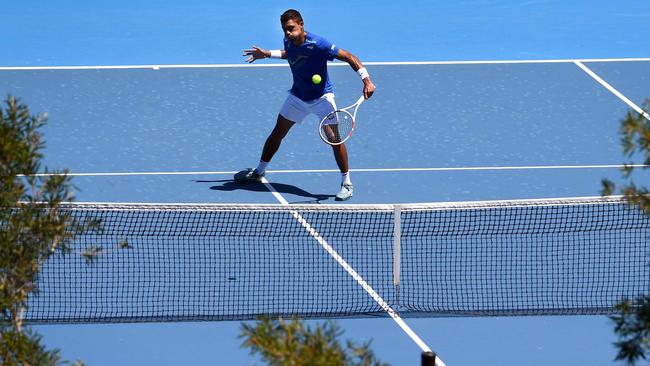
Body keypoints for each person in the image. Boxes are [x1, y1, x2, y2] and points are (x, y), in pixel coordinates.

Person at [235, 8, 375, 201]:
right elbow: (290, 54)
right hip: (297, 97)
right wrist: (267, 54)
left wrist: (366, 80)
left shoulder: (319, 44)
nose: (288, 33)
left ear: (301, 25)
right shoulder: (288, 40)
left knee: (335, 139)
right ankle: (259, 172)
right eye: (284, 29)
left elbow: (349, 56)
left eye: (291, 28)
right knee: (277, 134)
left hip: (322, 99)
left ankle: (347, 183)